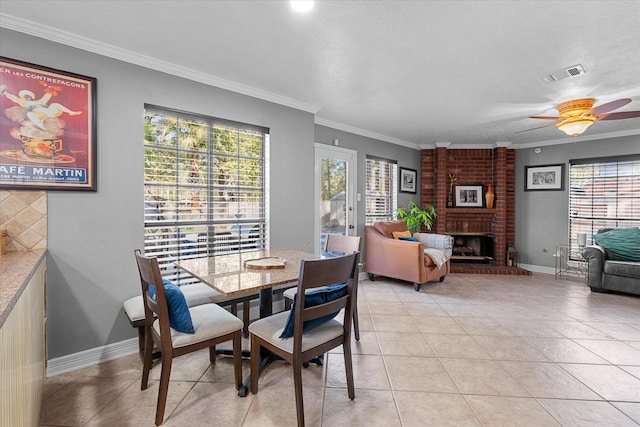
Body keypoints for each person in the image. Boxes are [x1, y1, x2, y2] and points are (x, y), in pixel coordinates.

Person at [0, 85, 81, 129]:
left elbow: (47, 95)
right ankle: (42, 126)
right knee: (30, 114)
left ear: (31, 96)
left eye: (28, 96)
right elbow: (15, 99)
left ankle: (71, 112)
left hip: (48, 112)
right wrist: (6, 93)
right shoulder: (24, 103)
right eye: (25, 97)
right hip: (39, 115)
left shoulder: (40, 101)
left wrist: (50, 89)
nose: (27, 97)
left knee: (55, 104)